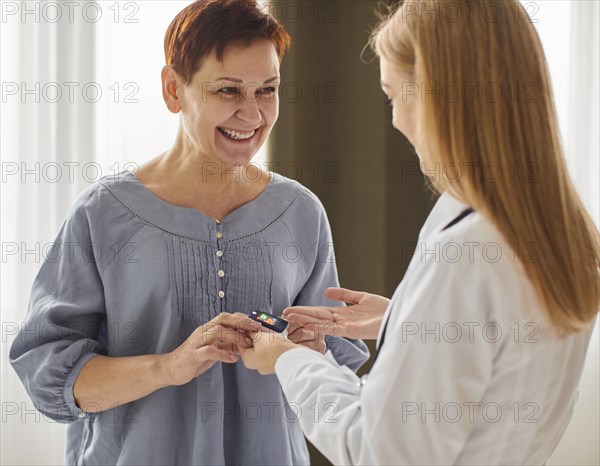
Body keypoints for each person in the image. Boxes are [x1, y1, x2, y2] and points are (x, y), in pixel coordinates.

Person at [239, 0, 600, 464]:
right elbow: (498, 364)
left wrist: (288, 360)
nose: (393, 120)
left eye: (392, 96)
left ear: (437, 97)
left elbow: (380, 451)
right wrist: (405, 322)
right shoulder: (563, 234)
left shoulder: (466, 258)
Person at [9, 1, 368, 464]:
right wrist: (169, 366)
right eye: (228, 91)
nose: (253, 114)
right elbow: (50, 378)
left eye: (267, 90)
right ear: (173, 89)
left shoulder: (300, 212)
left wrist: (309, 352)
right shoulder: (103, 214)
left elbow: (336, 368)